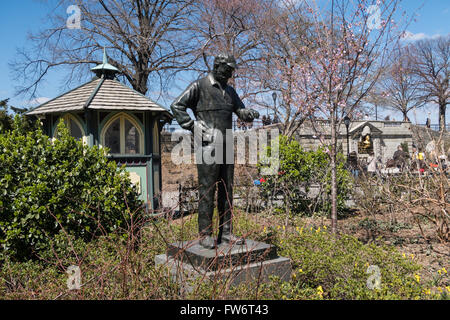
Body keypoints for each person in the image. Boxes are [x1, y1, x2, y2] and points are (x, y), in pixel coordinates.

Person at [171, 54, 259, 249]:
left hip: (226, 145)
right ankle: (205, 234)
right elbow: (177, 105)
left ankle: (226, 233)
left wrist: (248, 113)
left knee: (227, 191)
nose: (230, 73)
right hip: (207, 146)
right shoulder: (199, 86)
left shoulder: (230, 91)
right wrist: (191, 125)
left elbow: (240, 110)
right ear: (217, 66)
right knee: (207, 190)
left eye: (231, 70)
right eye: (228, 69)